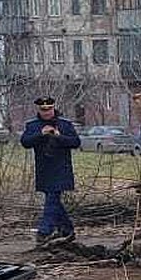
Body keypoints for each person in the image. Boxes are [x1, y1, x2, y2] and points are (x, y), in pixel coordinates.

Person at [20, 96, 82, 246]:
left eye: (49, 109)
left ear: (53, 108)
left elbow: (76, 142)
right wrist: (41, 134)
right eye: (43, 110)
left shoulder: (65, 124)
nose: (46, 112)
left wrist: (59, 136)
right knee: (54, 201)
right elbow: (25, 142)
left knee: (52, 200)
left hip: (61, 168)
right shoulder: (33, 125)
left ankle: (44, 231)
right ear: (39, 110)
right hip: (44, 169)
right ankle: (67, 230)